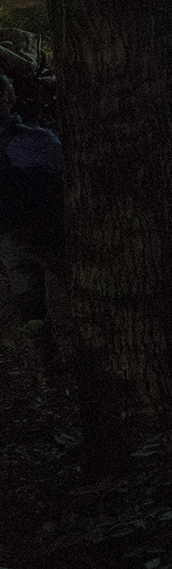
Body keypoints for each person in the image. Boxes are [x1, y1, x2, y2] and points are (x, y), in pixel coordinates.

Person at [0, 73, 64, 366]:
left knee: (27, 291)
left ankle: (45, 361)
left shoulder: (33, 140)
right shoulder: (37, 141)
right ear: (9, 98)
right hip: (48, 226)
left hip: (10, 230)